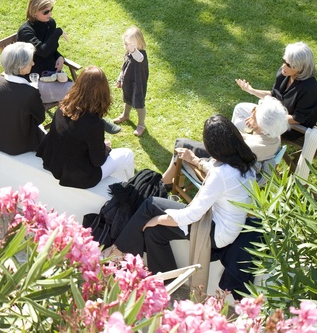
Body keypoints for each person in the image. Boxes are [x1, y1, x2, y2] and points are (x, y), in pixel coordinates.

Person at [108, 115, 258, 275]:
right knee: (154, 233)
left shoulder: (221, 175)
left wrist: (156, 219)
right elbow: (221, 175)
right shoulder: (244, 162)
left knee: (150, 205)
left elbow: (192, 215)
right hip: (228, 227)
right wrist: (196, 160)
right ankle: (166, 281)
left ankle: (118, 252)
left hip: (215, 232)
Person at [40, 66, 135, 188]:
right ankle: (130, 191)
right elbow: (98, 161)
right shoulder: (94, 124)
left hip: (54, 162)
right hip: (77, 176)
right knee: (127, 155)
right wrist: (105, 148)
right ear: (103, 92)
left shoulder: (63, 106)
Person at [235, 41, 317, 141]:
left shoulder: (309, 89)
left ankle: (244, 147)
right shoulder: (284, 73)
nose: (283, 66)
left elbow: (297, 119)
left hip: (292, 127)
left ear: (301, 68)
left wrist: (259, 119)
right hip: (273, 115)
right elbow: (274, 94)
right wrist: (251, 90)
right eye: (284, 61)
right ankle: (239, 143)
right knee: (239, 108)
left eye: (289, 65)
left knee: (241, 125)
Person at [0, 42, 44, 155]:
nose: (33, 63)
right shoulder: (30, 93)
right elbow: (40, 118)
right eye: (30, 62)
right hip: (20, 145)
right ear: (21, 68)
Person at [16, 0, 67, 79]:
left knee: (75, 90)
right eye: (46, 12)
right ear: (34, 12)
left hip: (52, 73)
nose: (50, 14)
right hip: (34, 76)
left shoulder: (50, 23)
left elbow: (52, 48)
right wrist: (58, 32)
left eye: (51, 10)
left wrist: (59, 56)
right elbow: (43, 52)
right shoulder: (26, 31)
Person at [113, 26, 149, 137]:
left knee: (139, 104)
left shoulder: (141, 55)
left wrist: (133, 50)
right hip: (128, 82)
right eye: (126, 44)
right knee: (127, 99)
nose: (128, 47)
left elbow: (138, 58)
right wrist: (120, 78)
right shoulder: (128, 53)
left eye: (131, 45)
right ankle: (125, 115)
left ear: (140, 44)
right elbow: (124, 67)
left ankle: (141, 125)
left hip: (138, 84)